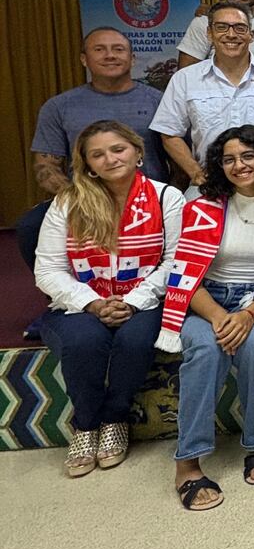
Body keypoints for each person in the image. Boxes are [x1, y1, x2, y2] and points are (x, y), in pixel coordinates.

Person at [34, 121, 183, 478]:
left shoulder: (167, 197)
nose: (110, 159)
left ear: (138, 152)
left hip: (145, 297)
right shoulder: (68, 202)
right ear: (86, 164)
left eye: (118, 149)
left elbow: (175, 261)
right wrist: (92, 303)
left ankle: (115, 417)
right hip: (81, 302)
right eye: (97, 154)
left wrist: (132, 301)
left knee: (134, 339)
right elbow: (48, 269)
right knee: (86, 340)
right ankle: (86, 424)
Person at [160, 126, 254, 513]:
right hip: (206, 299)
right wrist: (221, 317)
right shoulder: (201, 206)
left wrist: (250, 315)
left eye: (248, 156)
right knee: (204, 349)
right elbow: (185, 274)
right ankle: (188, 461)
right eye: (229, 159)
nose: (239, 165)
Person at [19, 26, 168, 270]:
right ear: (84, 59)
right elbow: (46, 166)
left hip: (150, 198)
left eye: (118, 49)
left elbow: (177, 157)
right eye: (99, 49)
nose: (110, 55)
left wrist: (170, 198)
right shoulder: (58, 107)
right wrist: (82, 200)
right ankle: (61, 291)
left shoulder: (159, 101)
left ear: (132, 59)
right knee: (29, 226)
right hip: (84, 196)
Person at [152, 1, 254, 189]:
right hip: (211, 185)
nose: (231, 34)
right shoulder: (185, 79)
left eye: (240, 28)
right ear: (209, 33)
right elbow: (169, 132)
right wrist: (194, 171)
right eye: (221, 27)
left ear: (251, 35)